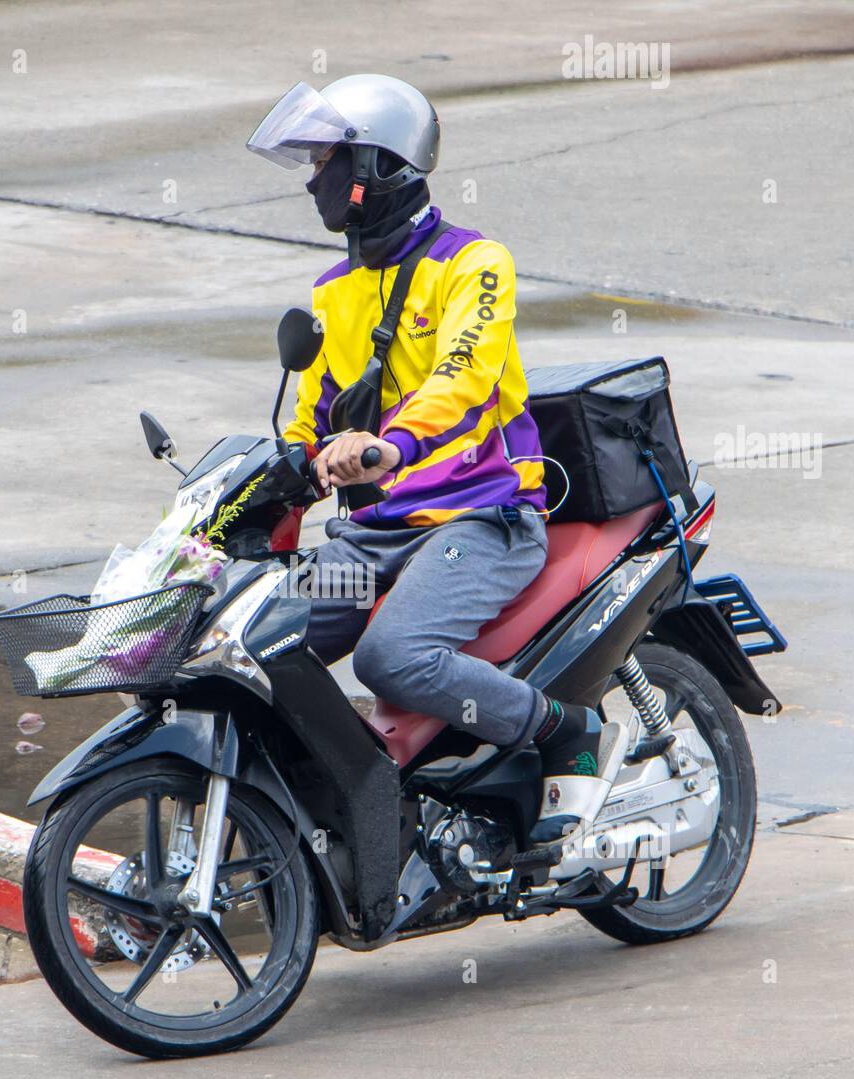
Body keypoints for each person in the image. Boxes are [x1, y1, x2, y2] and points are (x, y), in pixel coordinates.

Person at [247, 75, 628, 845]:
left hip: (479, 521)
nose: (315, 178)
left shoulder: (475, 265)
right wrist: (271, 486)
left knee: (394, 656)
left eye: (327, 160)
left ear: (375, 168)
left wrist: (391, 446)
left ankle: (564, 730)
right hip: (373, 542)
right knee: (255, 642)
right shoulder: (332, 293)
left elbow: (464, 375)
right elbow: (307, 419)